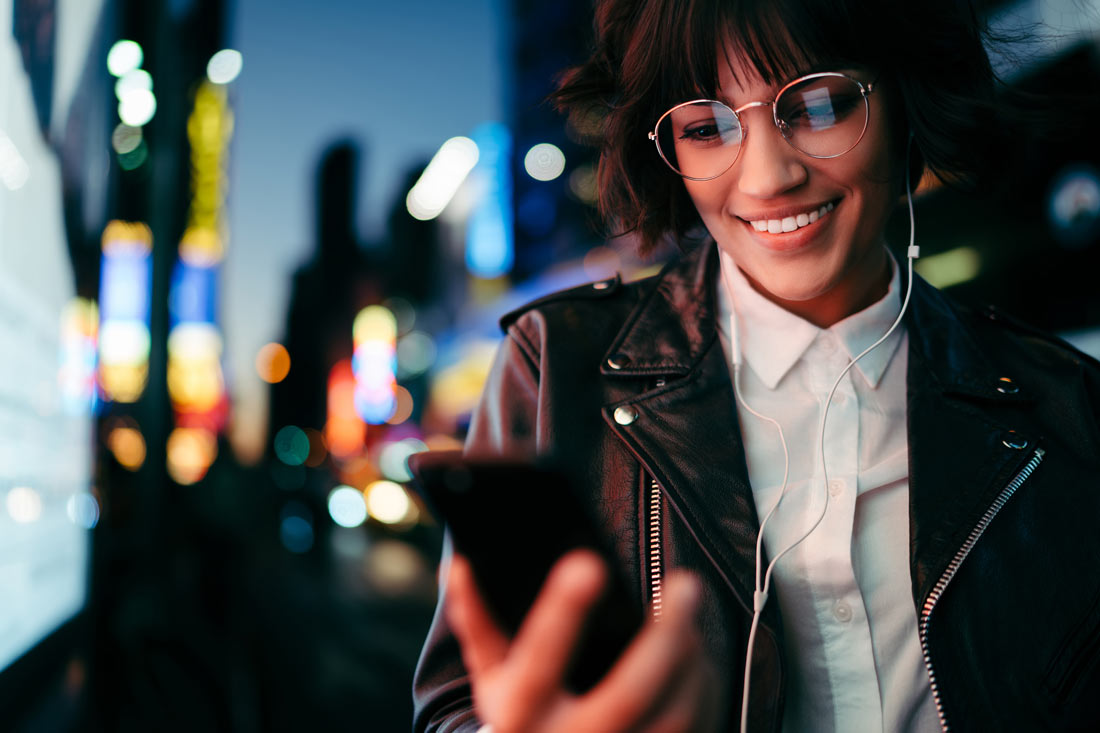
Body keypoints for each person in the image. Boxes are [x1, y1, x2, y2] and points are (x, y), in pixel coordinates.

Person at [413, 0, 1100, 730]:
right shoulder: (557, 368)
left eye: (819, 104)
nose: (769, 176)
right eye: (707, 128)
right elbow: (462, 704)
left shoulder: (1067, 404)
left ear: (904, 95)